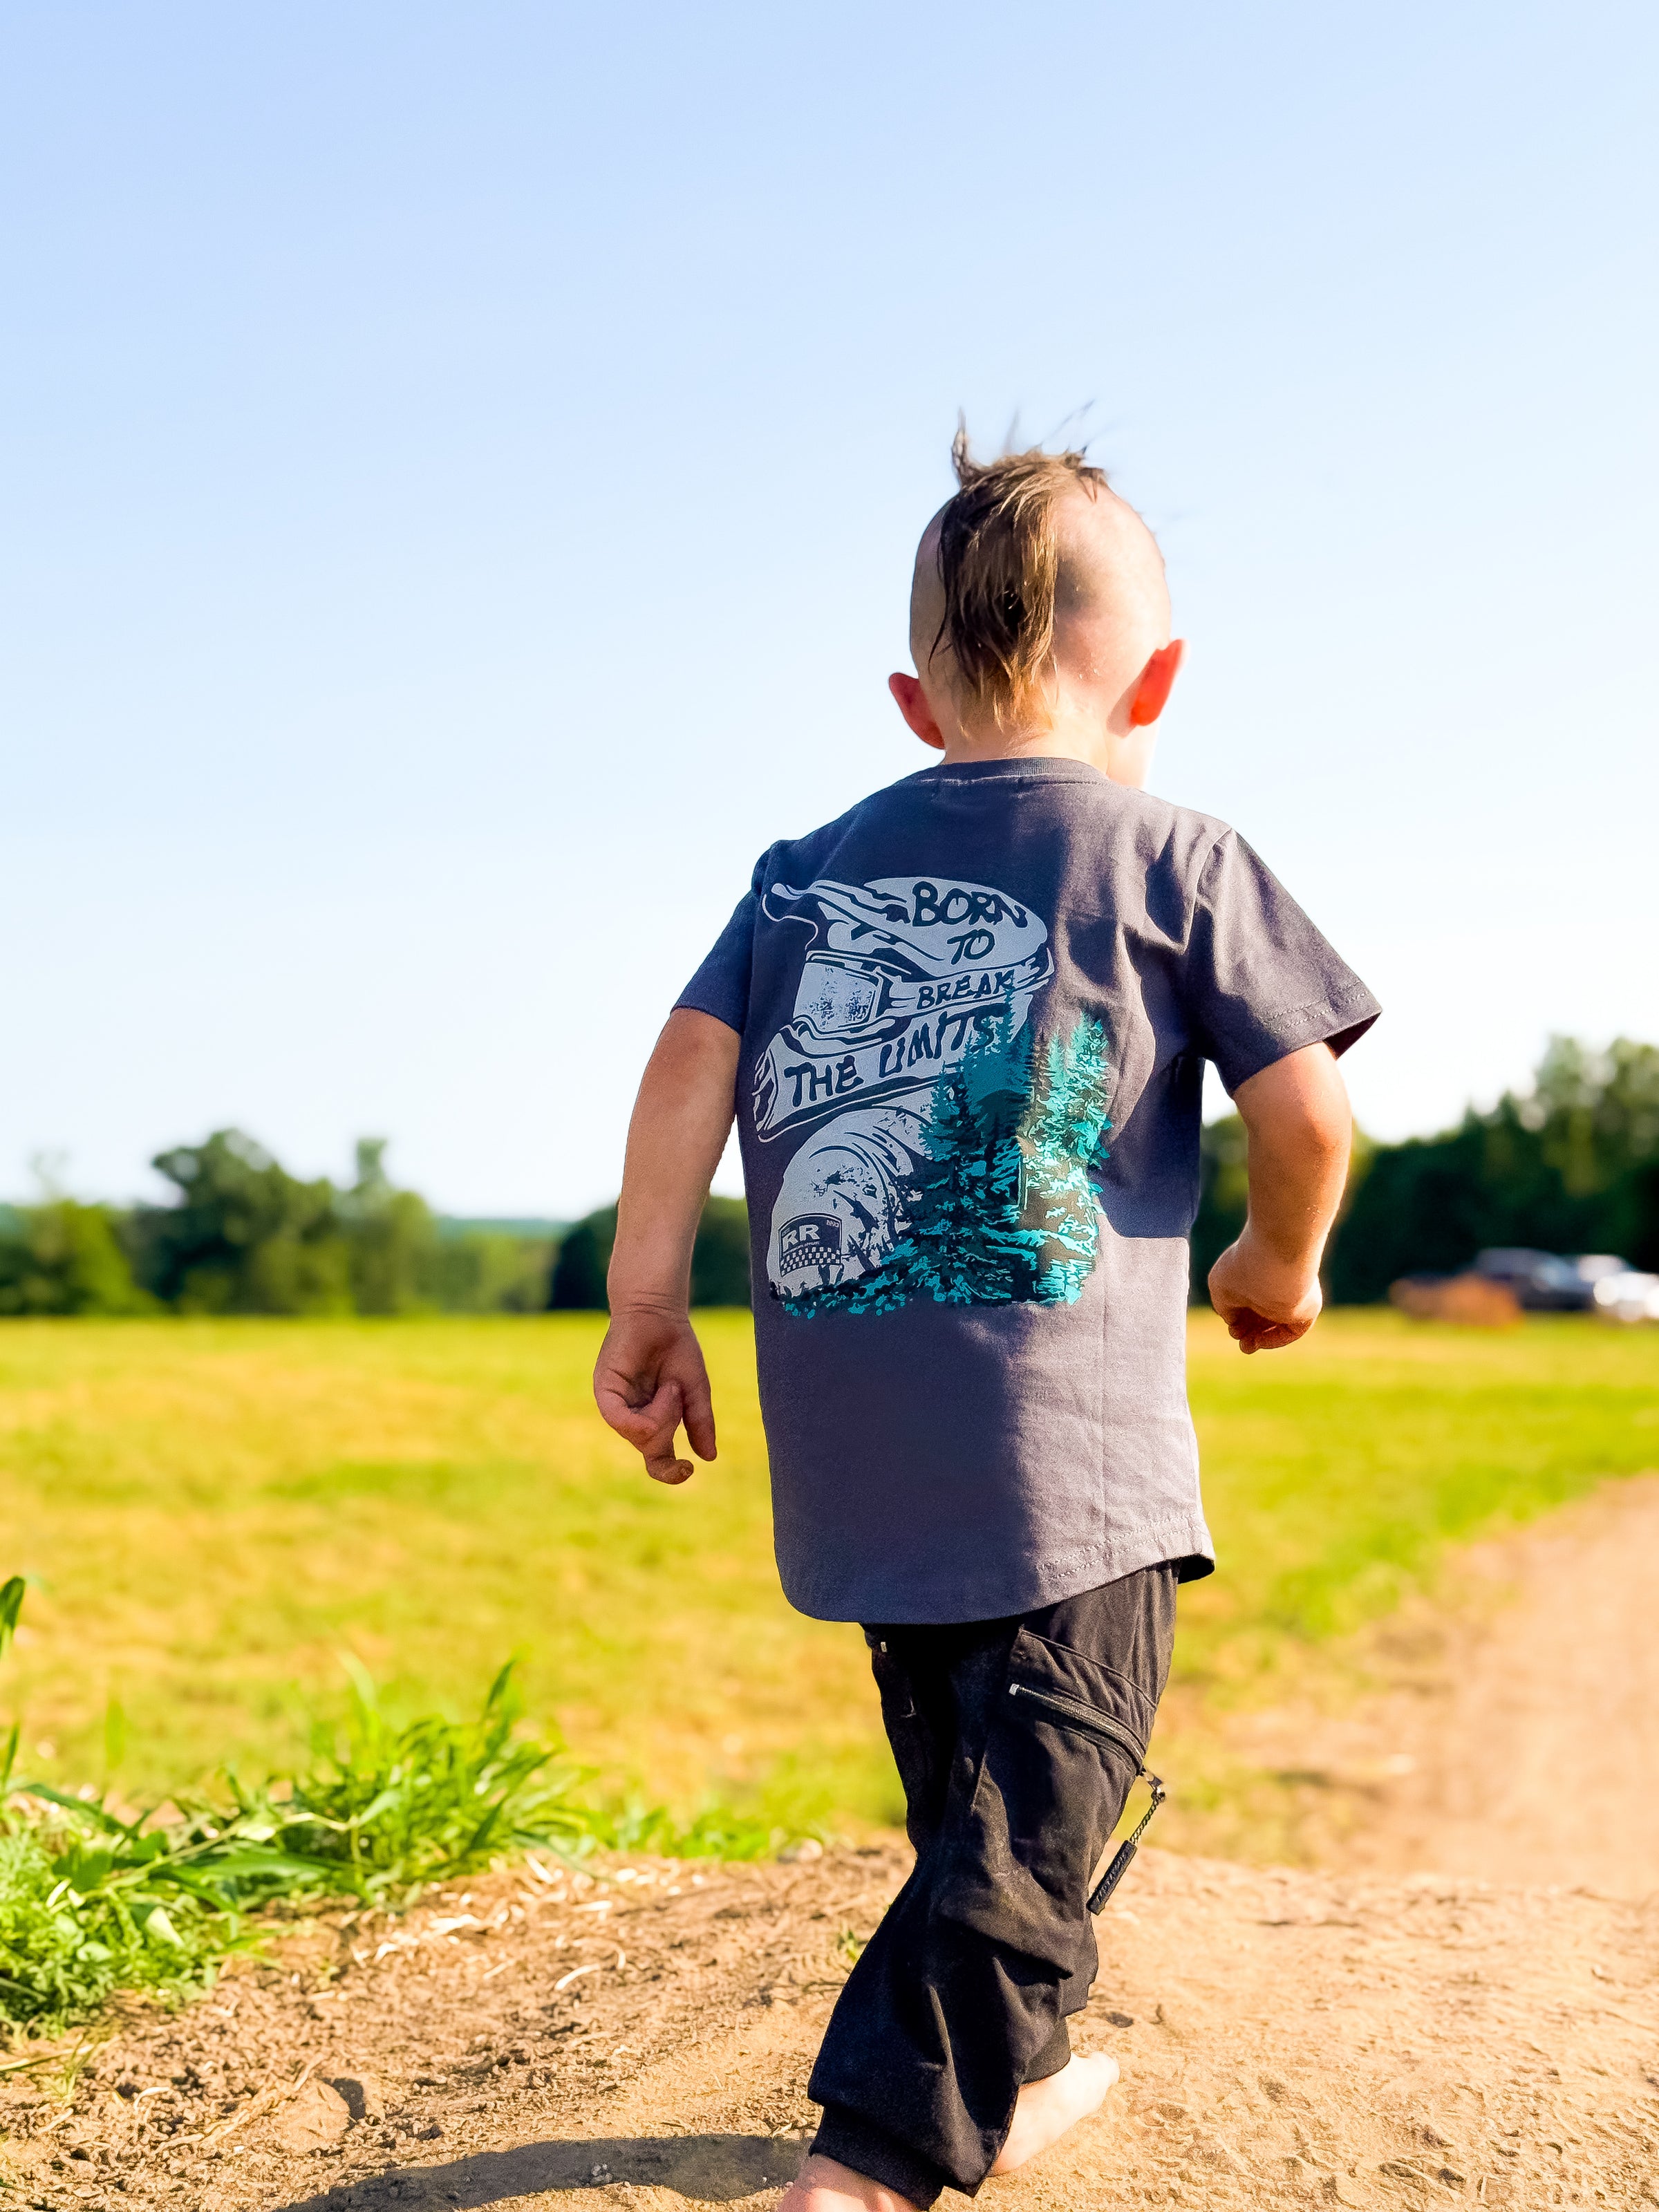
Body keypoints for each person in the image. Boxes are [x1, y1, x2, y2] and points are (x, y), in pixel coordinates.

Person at [593, 433, 1379, 2211]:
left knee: (980, 1796)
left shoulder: (800, 873)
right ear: (1157, 682)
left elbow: (686, 1063)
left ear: (912, 702)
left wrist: (650, 1299)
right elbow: (1311, 1116)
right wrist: (1278, 1265)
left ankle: (1001, 2087)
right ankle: (867, 2166)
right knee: (1041, 1806)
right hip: (1068, 1467)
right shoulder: (1177, 852)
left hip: (858, 1456)